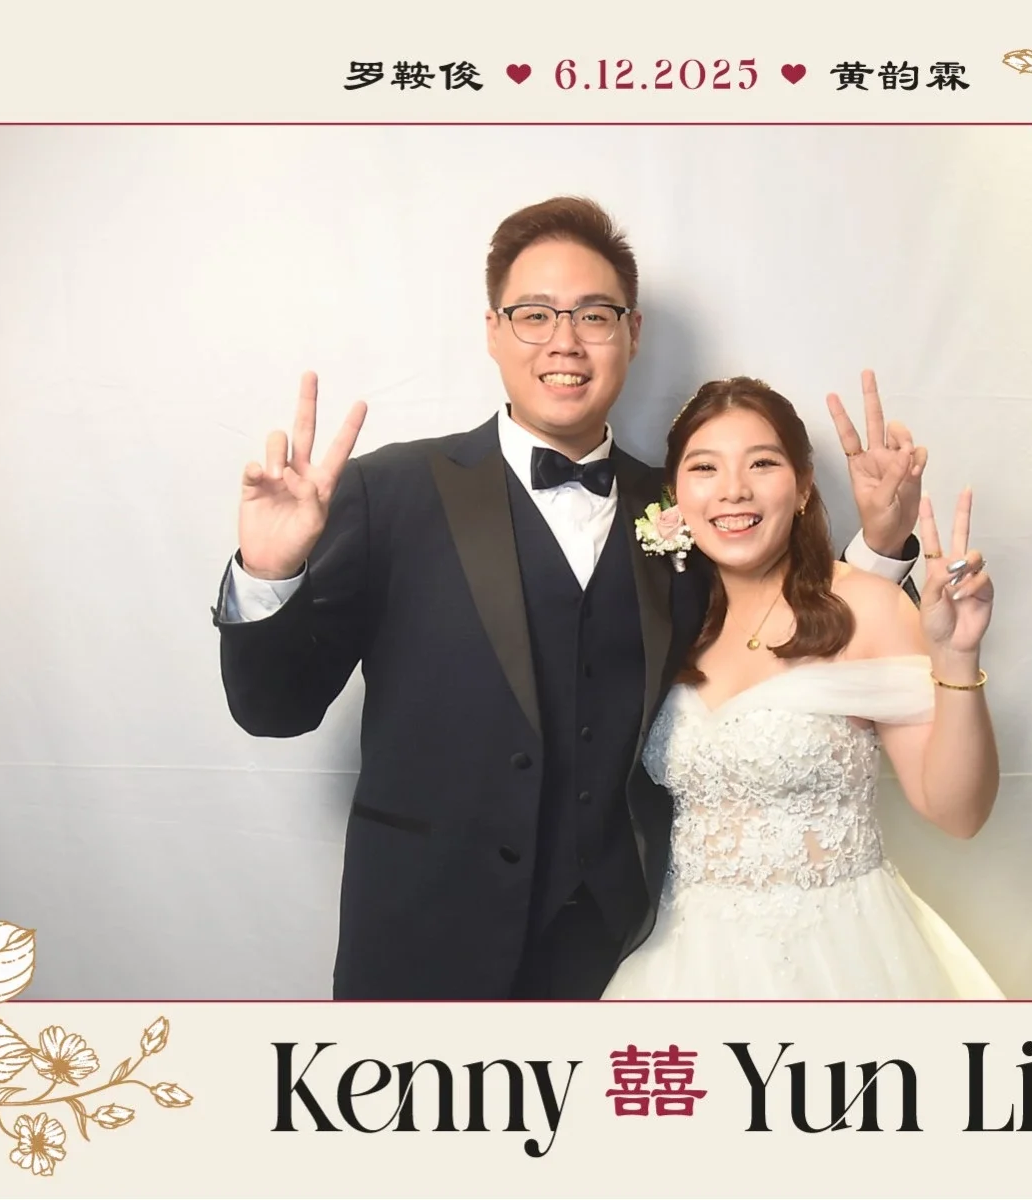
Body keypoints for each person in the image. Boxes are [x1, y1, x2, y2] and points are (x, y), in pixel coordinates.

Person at [213, 196, 928, 1000]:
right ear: (493, 331)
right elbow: (273, 709)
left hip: (617, 952)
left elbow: (782, 631)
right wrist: (268, 572)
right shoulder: (391, 490)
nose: (565, 341)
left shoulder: (689, 503)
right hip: (420, 941)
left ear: (633, 333)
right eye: (535, 315)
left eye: (594, 315)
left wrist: (879, 546)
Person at [601, 376, 1003, 1000]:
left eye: (762, 463)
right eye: (705, 467)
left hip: (840, 954)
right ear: (675, 495)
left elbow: (958, 812)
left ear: (804, 484)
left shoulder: (869, 607)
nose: (734, 489)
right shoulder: (667, 619)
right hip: (681, 956)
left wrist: (956, 656)